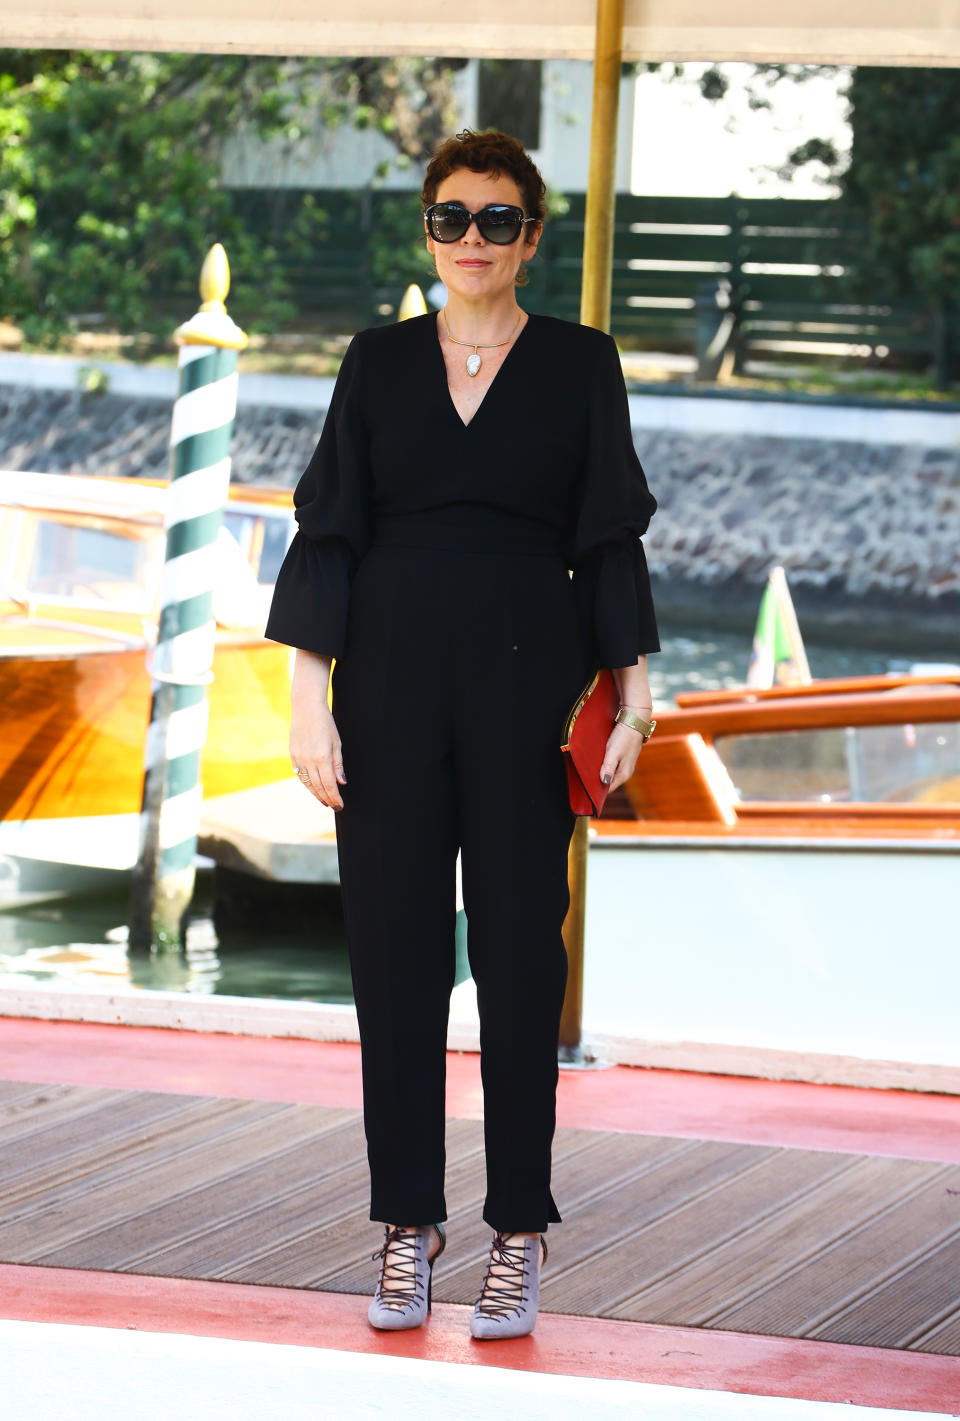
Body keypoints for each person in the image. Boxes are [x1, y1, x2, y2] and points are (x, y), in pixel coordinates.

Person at [265, 128, 660, 1340]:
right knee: (392, 961)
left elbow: (608, 535)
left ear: (531, 236)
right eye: (452, 217)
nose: (473, 239)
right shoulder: (375, 362)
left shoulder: (582, 364)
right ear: (428, 230)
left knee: (521, 963)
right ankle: (405, 1224)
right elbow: (330, 530)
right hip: (383, 686)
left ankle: (519, 1230)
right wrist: (305, 697)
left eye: (497, 219)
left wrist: (635, 694)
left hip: (527, 688)